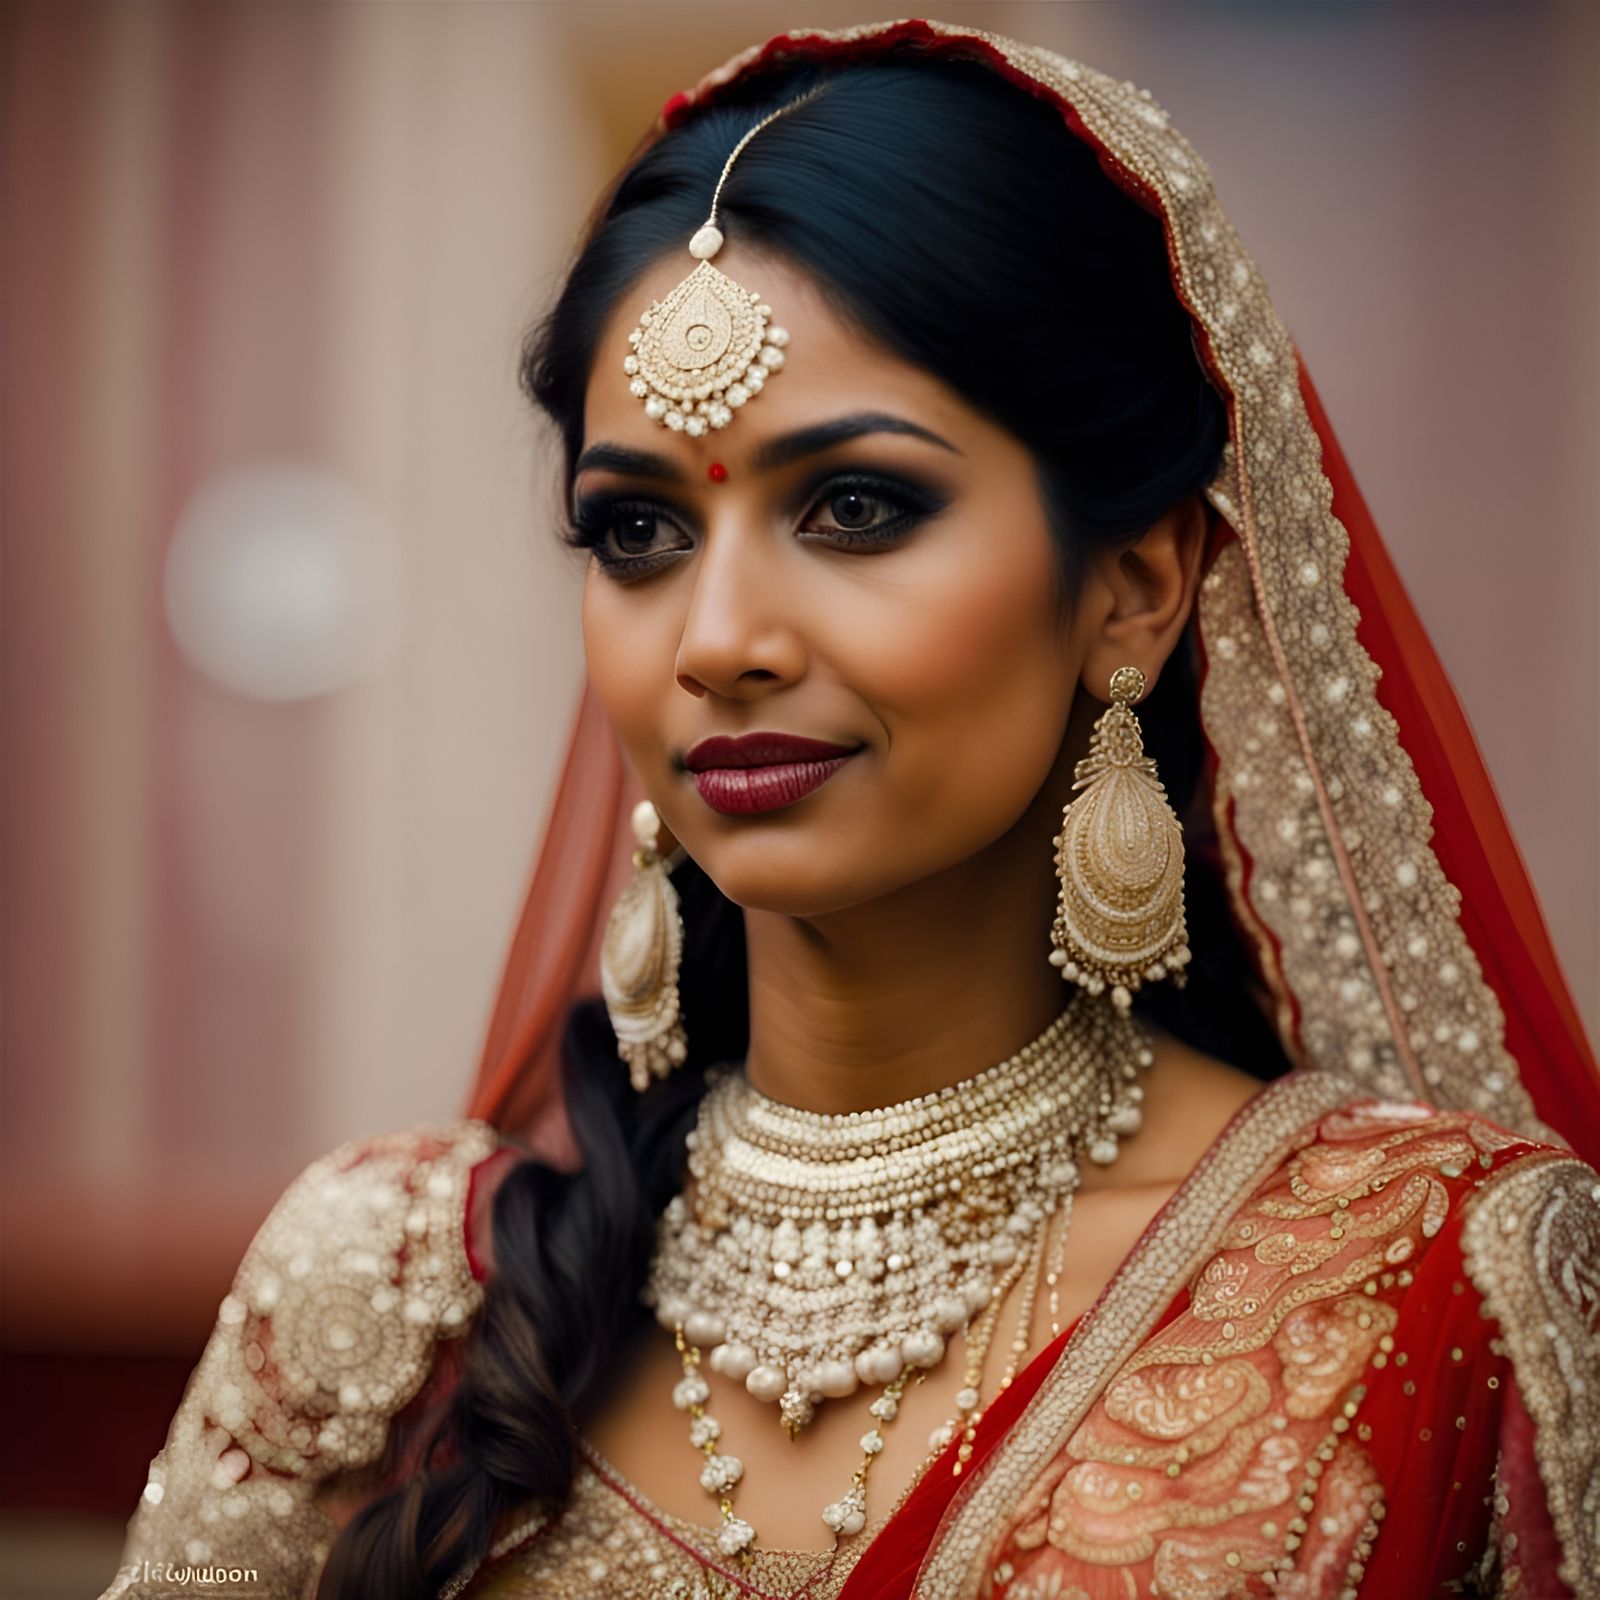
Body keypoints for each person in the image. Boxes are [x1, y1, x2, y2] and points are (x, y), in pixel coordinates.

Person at [102, 18, 1600, 1600]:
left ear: (1136, 588)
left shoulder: (1434, 1286)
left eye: (857, 507)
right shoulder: (393, 1293)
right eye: (636, 532)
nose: (718, 639)